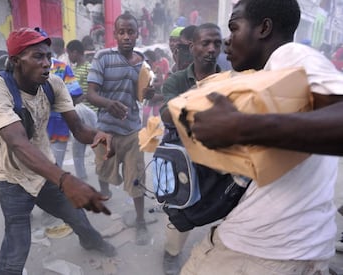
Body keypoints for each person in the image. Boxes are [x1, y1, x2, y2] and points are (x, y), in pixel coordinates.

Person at [181, 0, 343, 274]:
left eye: (234, 28)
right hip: (279, 247)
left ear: (264, 28)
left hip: (265, 253)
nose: (227, 41)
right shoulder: (267, 78)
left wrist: (241, 127)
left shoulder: (289, 55)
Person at [0, 27, 117, 274]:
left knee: (77, 217)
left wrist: (98, 136)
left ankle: (92, 242)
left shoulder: (53, 84)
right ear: (15, 61)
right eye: (37, 57)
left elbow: (77, 128)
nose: (46, 64)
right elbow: (18, 143)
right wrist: (66, 179)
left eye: (48, 56)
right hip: (13, 178)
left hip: (45, 172)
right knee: (16, 247)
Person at [159, 23, 223, 275]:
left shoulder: (229, 79)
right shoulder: (176, 79)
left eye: (216, 43)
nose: (211, 49)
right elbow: (166, 114)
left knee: (222, 204)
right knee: (180, 208)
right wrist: (202, 101)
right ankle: (171, 254)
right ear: (192, 46)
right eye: (205, 43)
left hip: (218, 156)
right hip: (183, 157)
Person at [87, 12, 155, 246]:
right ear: (115, 34)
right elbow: (91, 94)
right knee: (103, 170)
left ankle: (140, 221)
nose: (126, 36)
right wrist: (108, 104)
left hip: (132, 131)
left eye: (131, 32)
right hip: (106, 131)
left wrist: (150, 93)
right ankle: (104, 197)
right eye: (122, 32)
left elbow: (143, 95)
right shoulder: (103, 58)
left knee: (137, 178)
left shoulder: (142, 61)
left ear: (137, 34)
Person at [66, 39, 98, 179]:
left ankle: (103, 177)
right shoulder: (73, 70)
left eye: (69, 53)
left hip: (90, 113)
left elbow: (96, 90)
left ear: (75, 52)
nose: (69, 57)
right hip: (78, 114)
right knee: (77, 150)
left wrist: (83, 97)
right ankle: (82, 179)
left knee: (97, 148)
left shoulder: (88, 68)